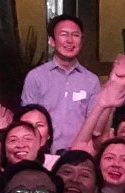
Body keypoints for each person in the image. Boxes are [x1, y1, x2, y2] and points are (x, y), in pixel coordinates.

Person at [23, 16, 105, 155]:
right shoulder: (35, 77)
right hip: (42, 154)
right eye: (64, 34)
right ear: (52, 41)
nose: (70, 40)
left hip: (77, 155)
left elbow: (95, 126)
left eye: (75, 35)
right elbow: (27, 121)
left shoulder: (91, 81)